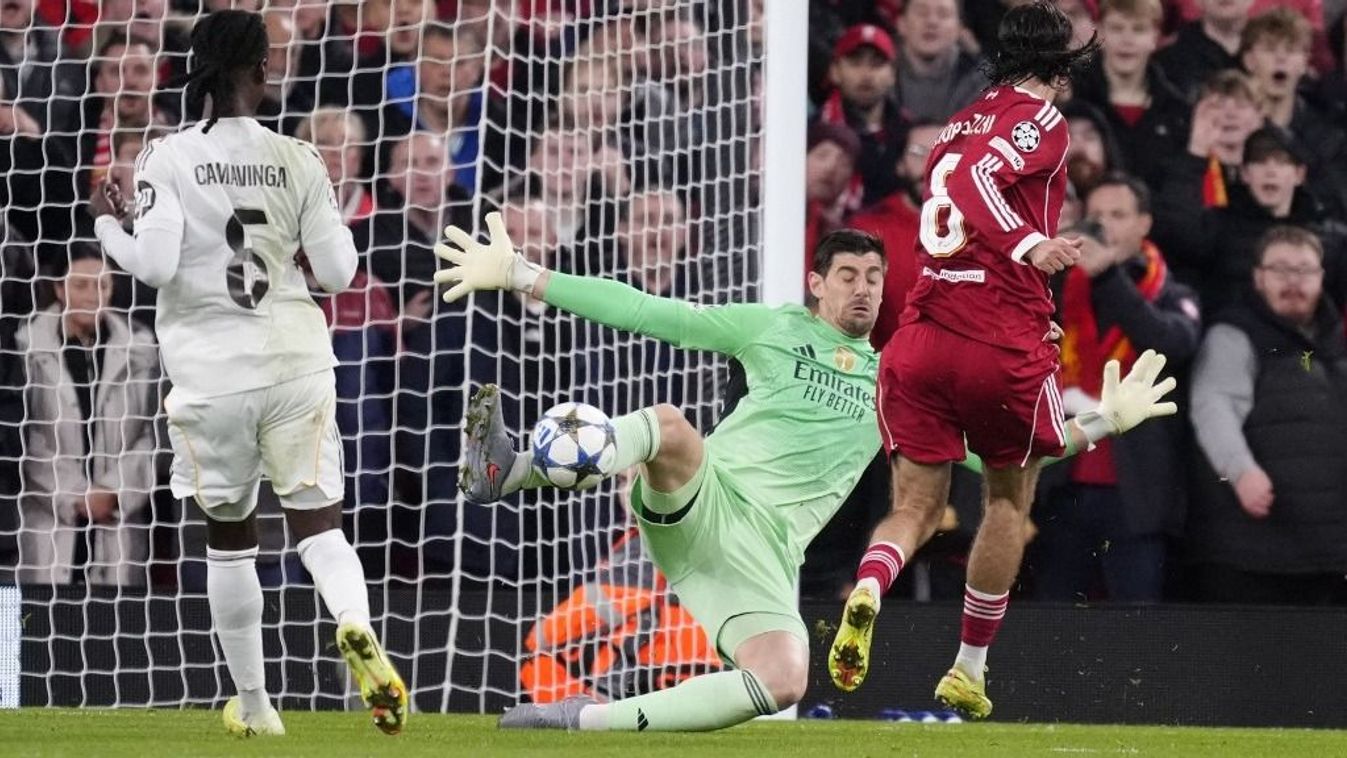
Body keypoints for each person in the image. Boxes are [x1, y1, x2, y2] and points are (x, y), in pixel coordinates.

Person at [428, 214, 1173, 732]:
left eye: (874, 277)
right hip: (708, 498)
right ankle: (511, 468)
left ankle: (580, 719)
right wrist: (526, 274)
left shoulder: (900, 381)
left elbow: (1009, 451)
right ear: (816, 283)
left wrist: (1104, 422)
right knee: (670, 427)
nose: (862, 288)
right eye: (846, 274)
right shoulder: (774, 326)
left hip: (762, 556)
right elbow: (651, 312)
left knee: (783, 679)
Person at [826, 1, 1164, 721]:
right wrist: (1027, 247)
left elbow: (963, 177)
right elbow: (982, 183)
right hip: (997, 335)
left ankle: (868, 586)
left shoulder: (960, 119)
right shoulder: (1040, 119)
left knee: (913, 506)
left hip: (918, 339)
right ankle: (967, 670)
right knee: (1010, 499)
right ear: (1064, 65)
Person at [85, 9, 405, 737]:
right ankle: (353, 622)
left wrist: (108, 226)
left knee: (230, 539)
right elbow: (336, 272)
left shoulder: (167, 157)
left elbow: (157, 265)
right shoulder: (300, 157)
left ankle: (258, 707)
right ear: (261, 70)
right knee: (320, 528)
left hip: (212, 375)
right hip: (297, 361)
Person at [1032, 175, 1202, 603]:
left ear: (1144, 223)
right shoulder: (1054, 288)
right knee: (1052, 626)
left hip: (1137, 497)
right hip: (1062, 484)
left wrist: (1107, 276)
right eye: (1096, 215)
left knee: (1134, 630)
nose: (1102, 224)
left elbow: (1172, 343)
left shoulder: (1171, 292)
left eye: (1118, 215)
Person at [1189, 226, 1347, 604]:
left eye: (1305, 270)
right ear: (1259, 277)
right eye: (1280, 269)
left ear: (1322, 277)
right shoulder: (1233, 334)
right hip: (1252, 551)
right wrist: (1241, 470)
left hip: (1329, 550)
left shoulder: (1335, 342)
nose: (1294, 281)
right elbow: (1215, 406)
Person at [17, 246, 160, 587]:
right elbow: (23, 435)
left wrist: (112, 492)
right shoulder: (26, 346)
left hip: (117, 520)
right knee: (36, 631)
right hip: (47, 517)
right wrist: (76, 495)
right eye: (80, 284)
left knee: (114, 632)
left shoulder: (141, 348)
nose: (91, 295)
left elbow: (153, 434)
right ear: (59, 288)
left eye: (102, 286)